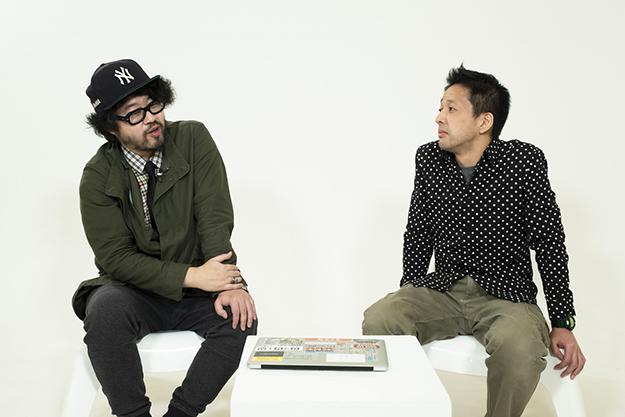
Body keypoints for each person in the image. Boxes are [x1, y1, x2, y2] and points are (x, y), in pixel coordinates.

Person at [362, 65, 585, 417]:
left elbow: (550, 242)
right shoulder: (429, 159)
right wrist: (410, 289)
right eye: (440, 108)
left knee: (521, 347)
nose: (439, 117)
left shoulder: (523, 161)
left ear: (484, 122)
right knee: (380, 319)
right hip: (443, 289)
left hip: (506, 295)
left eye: (451, 108)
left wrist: (562, 322)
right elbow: (418, 232)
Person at [72, 59, 258, 417]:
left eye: (153, 104)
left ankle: (182, 413)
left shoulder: (193, 138)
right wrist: (192, 276)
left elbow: (214, 216)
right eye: (134, 114)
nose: (151, 118)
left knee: (241, 316)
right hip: (134, 290)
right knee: (105, 313)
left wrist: (229, 283)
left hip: (199, 288)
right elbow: (116, 259)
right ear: (111, 127)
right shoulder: (96, 176)